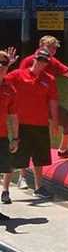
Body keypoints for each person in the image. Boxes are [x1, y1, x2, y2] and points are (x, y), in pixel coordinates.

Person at [3, 49, 57, 199]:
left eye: (45, 61)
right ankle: (5, 190)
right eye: (39, 59)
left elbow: (53, 101)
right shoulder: (18, 74)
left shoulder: (50, 79)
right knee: (14, 158)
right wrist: (8, 65)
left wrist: (55, 122)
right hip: (21, 124)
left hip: (41, 123)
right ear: (34, 59)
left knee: (40, 158)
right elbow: (2, 80)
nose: (42, 63)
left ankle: (39, 188)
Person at [19, 36, 68, 160]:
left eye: (55, 49)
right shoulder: (28, 61)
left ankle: (63, 150)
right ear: (41, 45)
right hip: (29, 104)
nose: (53, 51)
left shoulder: (53, 61)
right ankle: (23, 173)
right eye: (50, 47)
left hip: (48, 103)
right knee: (27, 134)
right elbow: (19, 82)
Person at [0, 49, 18, 216]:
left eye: (3, 64)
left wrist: (15, 138)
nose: (0, 66)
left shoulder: (9, 87)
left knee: (3, 168)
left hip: (3, 136)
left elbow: (13, 116)